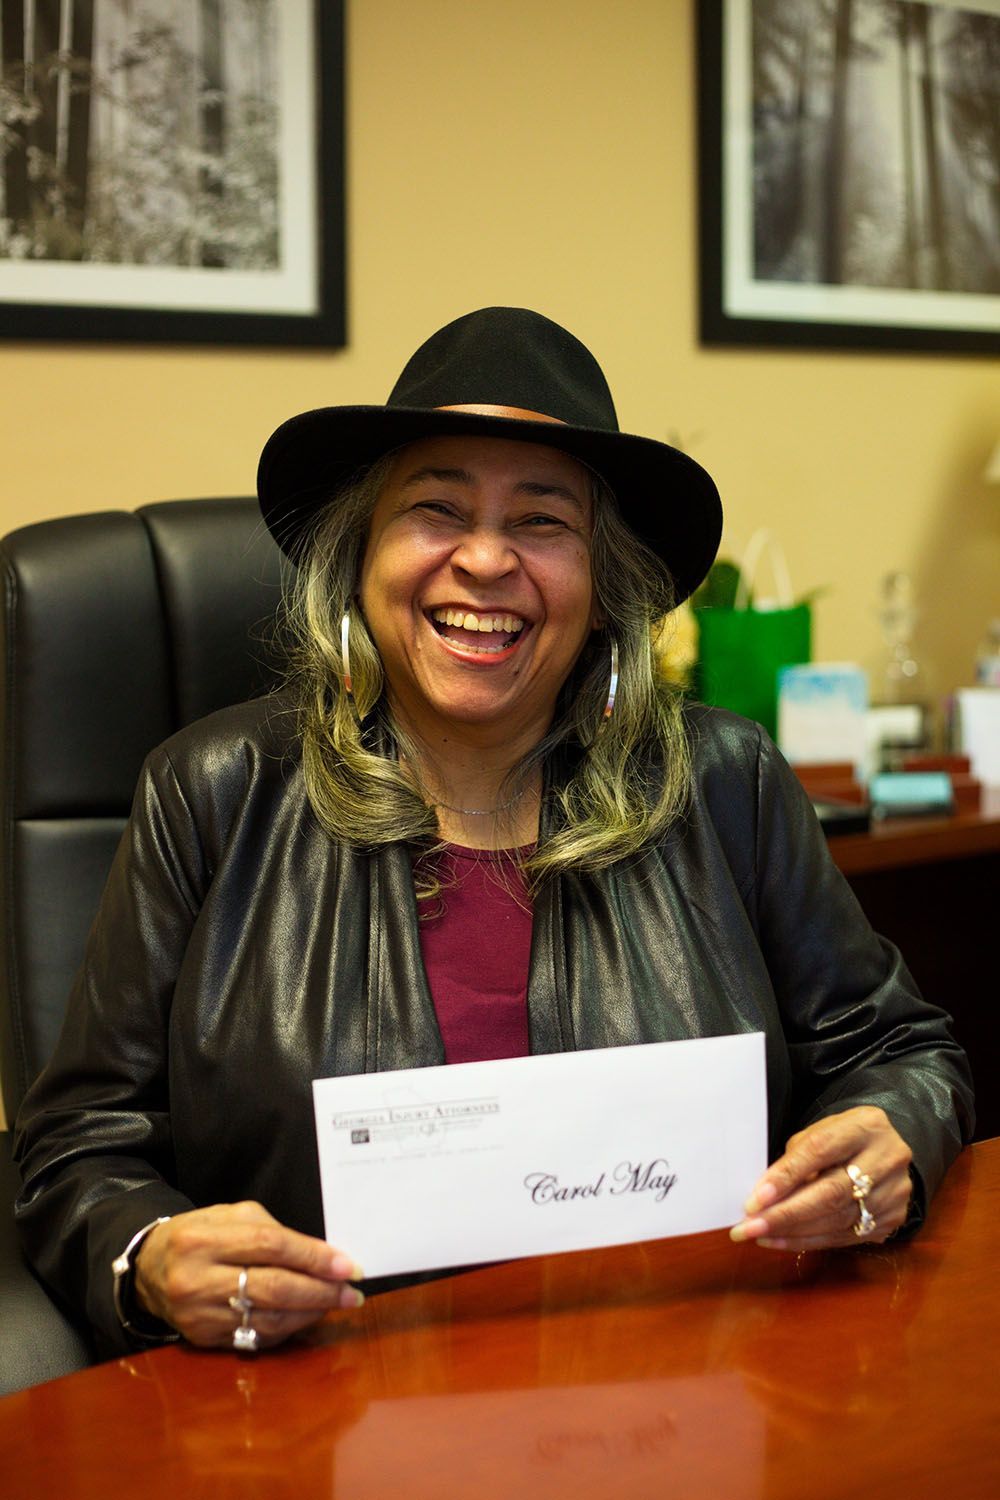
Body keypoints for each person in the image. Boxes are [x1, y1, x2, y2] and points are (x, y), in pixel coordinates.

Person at [15, 308, 973, 1357]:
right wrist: (148, 1253)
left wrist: (892, 1141)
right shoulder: (210, 794)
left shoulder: (723, 783)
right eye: (435, 509)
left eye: (542, 522)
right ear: (360, 559)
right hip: (313, 1397)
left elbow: (901, 1052)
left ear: (604, 587)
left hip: (672, 1382)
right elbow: (76, 1148)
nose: (484, 560)